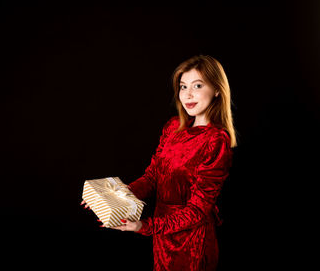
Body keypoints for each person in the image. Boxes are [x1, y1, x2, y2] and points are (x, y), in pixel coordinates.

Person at [82, 55, 237, 271]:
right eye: (183, 87)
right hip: (162, 234)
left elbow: (197, 210)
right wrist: (110, 198)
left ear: (217, 89)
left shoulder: (216, 140)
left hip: (192, 241)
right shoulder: (173, 127)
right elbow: (153, 176)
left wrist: (144, 226)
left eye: (198, 85)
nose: (188, 94)